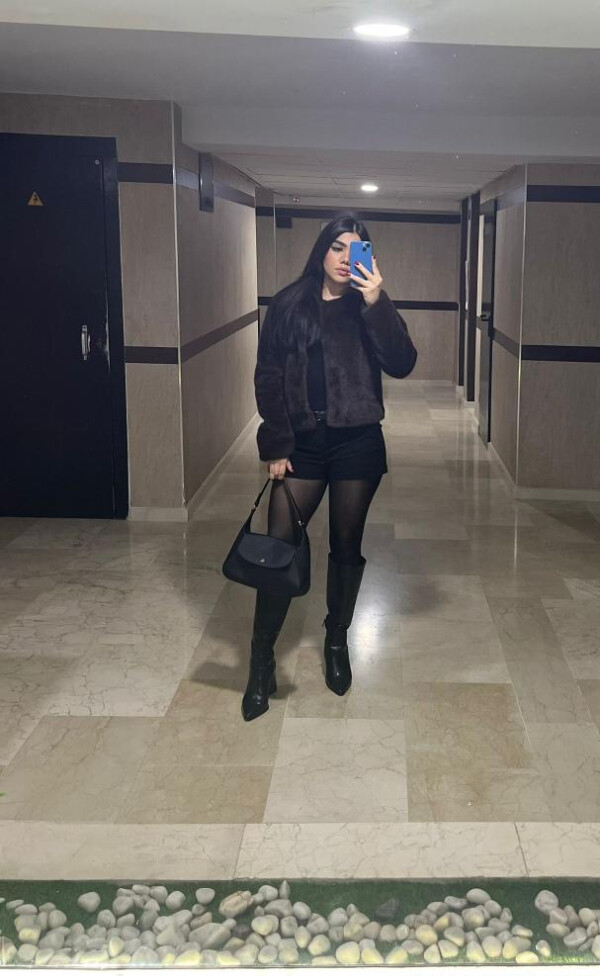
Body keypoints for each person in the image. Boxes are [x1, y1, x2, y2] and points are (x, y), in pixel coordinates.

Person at [243, 213, 417, 721]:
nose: (345, 258)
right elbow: (268, 376)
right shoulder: (288, 304)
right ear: (321, 251)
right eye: (337, 247)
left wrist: (376, 301)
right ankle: (260, 660)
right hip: (301, 443)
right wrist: (276, 443)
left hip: (357, 442)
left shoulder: (369, 305)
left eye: (356, 249)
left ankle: (336, 640)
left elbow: (403, 362)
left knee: (346, 544)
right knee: (279, 547)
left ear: (368, 257)